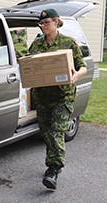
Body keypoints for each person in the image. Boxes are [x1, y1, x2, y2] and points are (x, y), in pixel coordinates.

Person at [28, 9, 87, 190]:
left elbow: (82, 66)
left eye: (47, 22)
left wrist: (76, 75)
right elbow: (28, 64)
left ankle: (53, 169)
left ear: (56, 22)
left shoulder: (68, 43)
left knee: (56, 132)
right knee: (46, 133)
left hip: (63, 97)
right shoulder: (37, 44)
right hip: (43, 98)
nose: (43, 26)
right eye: (41, 23)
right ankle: (53, 160)